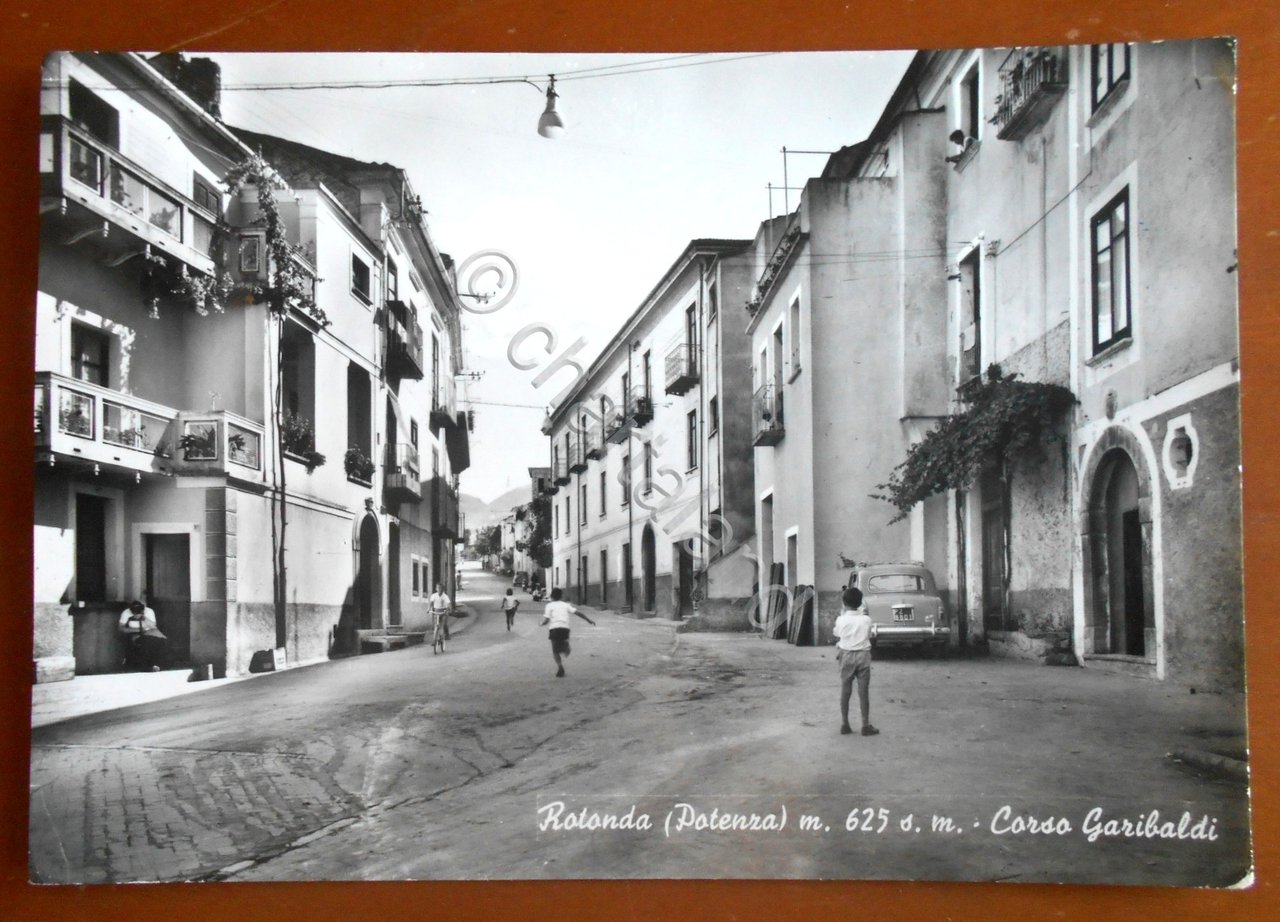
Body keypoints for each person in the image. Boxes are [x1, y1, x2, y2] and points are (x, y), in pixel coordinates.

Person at [833, 586, 879, 737]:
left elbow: (837, 634)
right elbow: (871, 634)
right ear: (860, 603)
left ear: (844, 602)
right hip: (863, 656)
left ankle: (845, 724)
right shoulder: (866, 619)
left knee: (845, 690)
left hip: (846, 655)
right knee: (863, 691)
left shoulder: (841, 619)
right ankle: (865, 725)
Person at [539, 587, 595, 678]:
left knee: (555, 651)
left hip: (554, 629)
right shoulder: (565, 605)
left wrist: (541, 624)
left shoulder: (549, 606)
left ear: (551, 596)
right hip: (565, 629)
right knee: (564, 647)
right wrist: (588, 620)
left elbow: (546, 621)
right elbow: (578, 613)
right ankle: (565, 645)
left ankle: (560, 666)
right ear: (561, 596)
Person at [118, 600, 167, 672]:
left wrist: (143, 618)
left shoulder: (149, 611)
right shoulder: (126, 613)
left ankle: (159, 663)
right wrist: (137, 630)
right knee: (146, 642)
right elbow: (121, 628)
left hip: (149, 630)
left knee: (162, 640)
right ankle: (147, 665)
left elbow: (153, 626)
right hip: (135, 632)